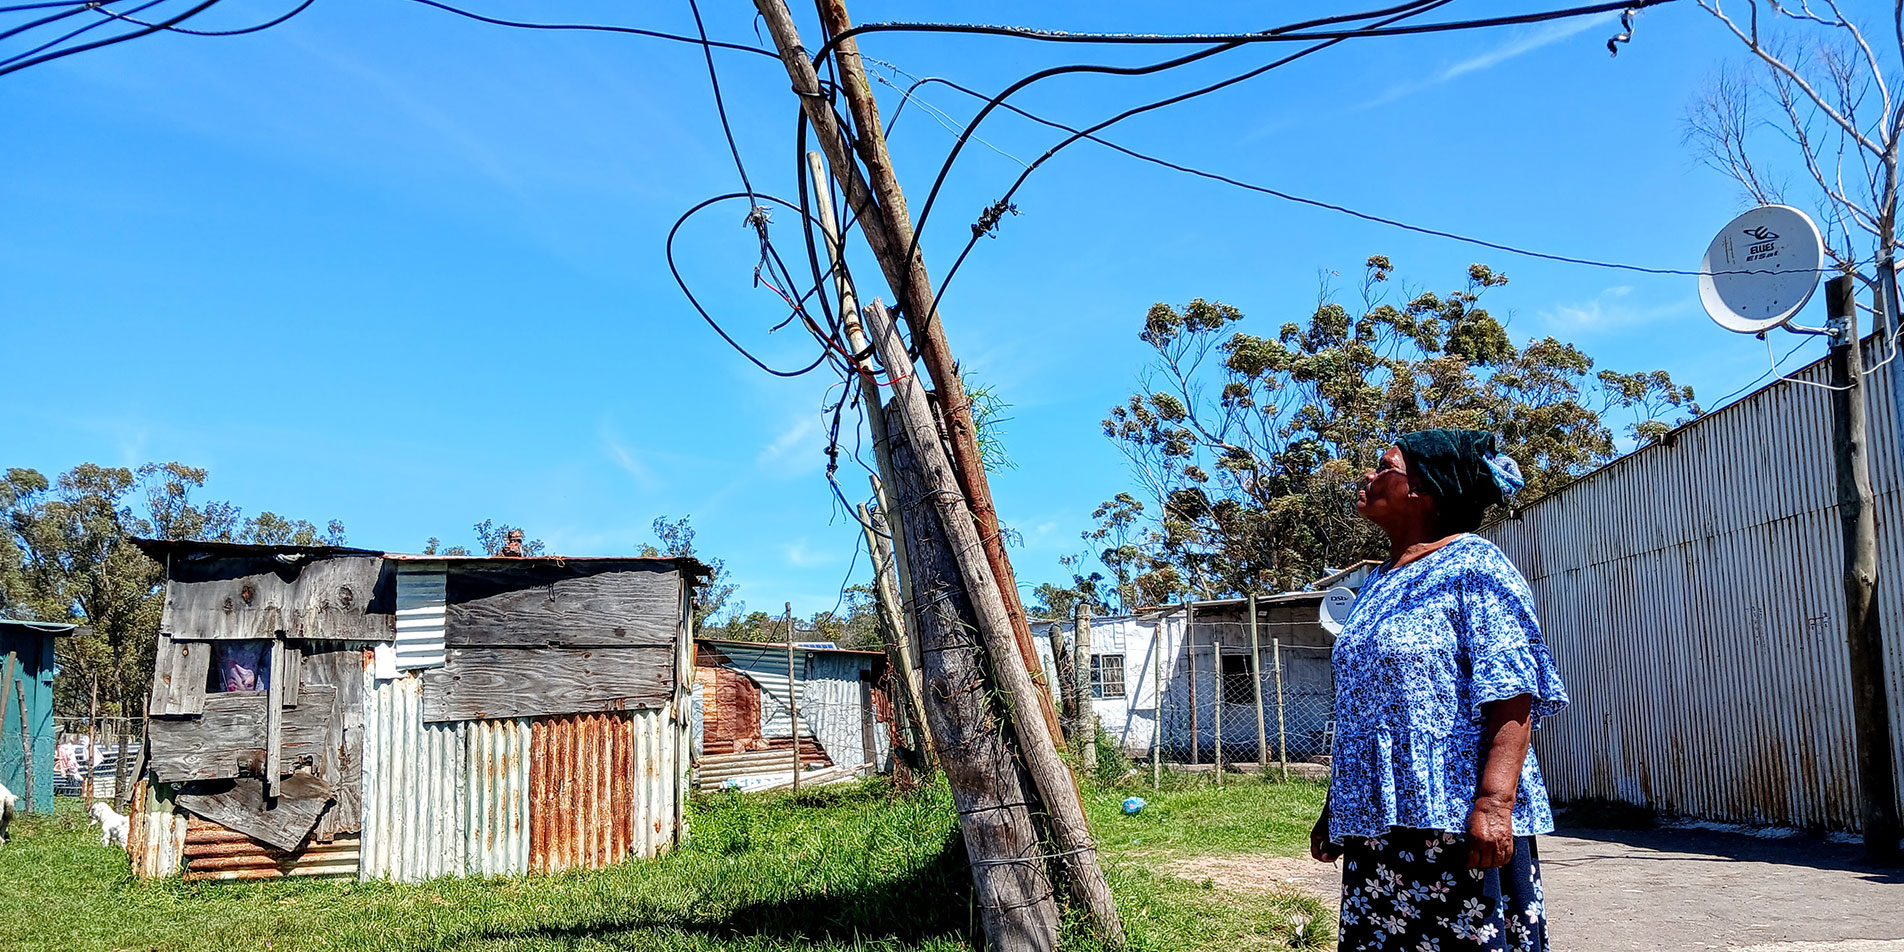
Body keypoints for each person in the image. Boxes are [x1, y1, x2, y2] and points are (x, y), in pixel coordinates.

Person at [1311, 429, 1568, 952]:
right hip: (1379, 824)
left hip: (1454, 819)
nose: (1367, 475)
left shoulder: (1474, 566)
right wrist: (1336, 805)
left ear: (1423, 491)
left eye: (1384, 467)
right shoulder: (1378, 581)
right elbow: (1371, 704)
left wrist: (1495, 804)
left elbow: (1512, 691)